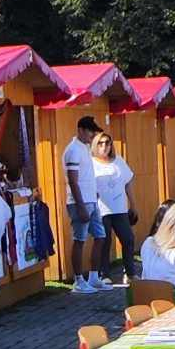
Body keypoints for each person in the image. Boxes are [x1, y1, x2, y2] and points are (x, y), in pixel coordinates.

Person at [62, 116, 110, 293]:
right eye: (90, 131)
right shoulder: (73, 150)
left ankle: (94, 277)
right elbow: (73, 181)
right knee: (79, 240)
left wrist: (93, 192)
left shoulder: (85, 148)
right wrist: (80, 205)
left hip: (91, 201)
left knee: (100, 237)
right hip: (79, 203)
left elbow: (85, 175)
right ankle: (78, 280)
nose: (92, 135)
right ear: (81, 130)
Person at [91, 131, 137, 284]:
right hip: (101, 210)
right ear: (95, 145)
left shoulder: (118, 161)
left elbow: (128, 182)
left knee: (128, 239)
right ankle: (104, 274)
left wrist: (133, 204)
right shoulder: (91, 163)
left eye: (107, 143)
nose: (104, 146)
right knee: (104, 241)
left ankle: (130, 273)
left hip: (120, 209)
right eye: (101, 143)